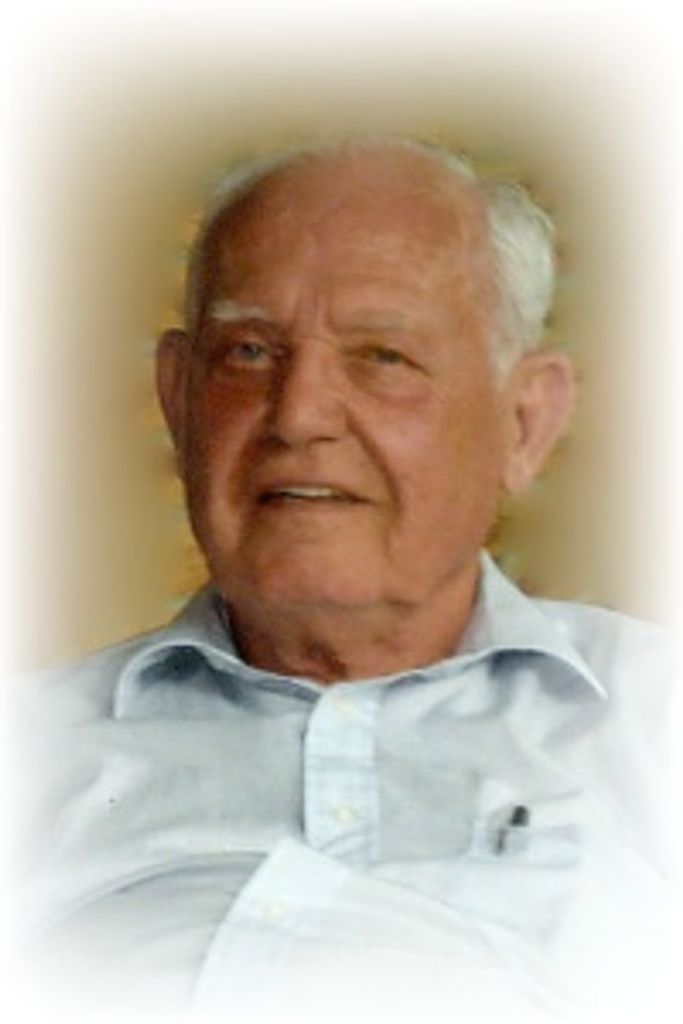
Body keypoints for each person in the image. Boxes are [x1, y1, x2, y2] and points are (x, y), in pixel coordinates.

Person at [15, 136, 675, 1023]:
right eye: (249, 353)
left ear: (523, 423)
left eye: (381, 357)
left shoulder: (652, 720)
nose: (297, 416)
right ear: (177, 402)